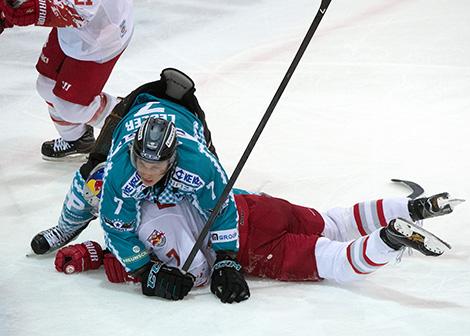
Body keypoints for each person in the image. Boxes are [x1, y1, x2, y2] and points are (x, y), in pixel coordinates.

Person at [30, 68, 249, 303]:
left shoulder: (198, 163)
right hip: (133, 109)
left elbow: (221, 206)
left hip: (187, 114)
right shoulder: (121, 168)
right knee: (93, 181)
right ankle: (65, 227)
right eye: (141, 163)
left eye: (155, 167)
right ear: (133, 153)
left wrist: (227, 258)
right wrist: (145, 271)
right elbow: (116, 227)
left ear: (172, 160)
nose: (146, 173)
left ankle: (243, 199)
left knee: (211, 193)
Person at [53, 187, 464, 303]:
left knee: (336, 262)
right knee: (335, 222)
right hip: (255, 205)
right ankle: (414, 207)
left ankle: (390, 239)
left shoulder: (146, 231)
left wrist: (135, 272)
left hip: (253, 246)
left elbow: (195, 274)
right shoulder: (150, 184)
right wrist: (101, 254)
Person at [0, 0, 133, 160]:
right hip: (72, 31)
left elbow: (77, 12)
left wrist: (35, 10)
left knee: (74, 108)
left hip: (102, 35)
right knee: (46, 85)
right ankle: (77, 140)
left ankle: (135, 123)